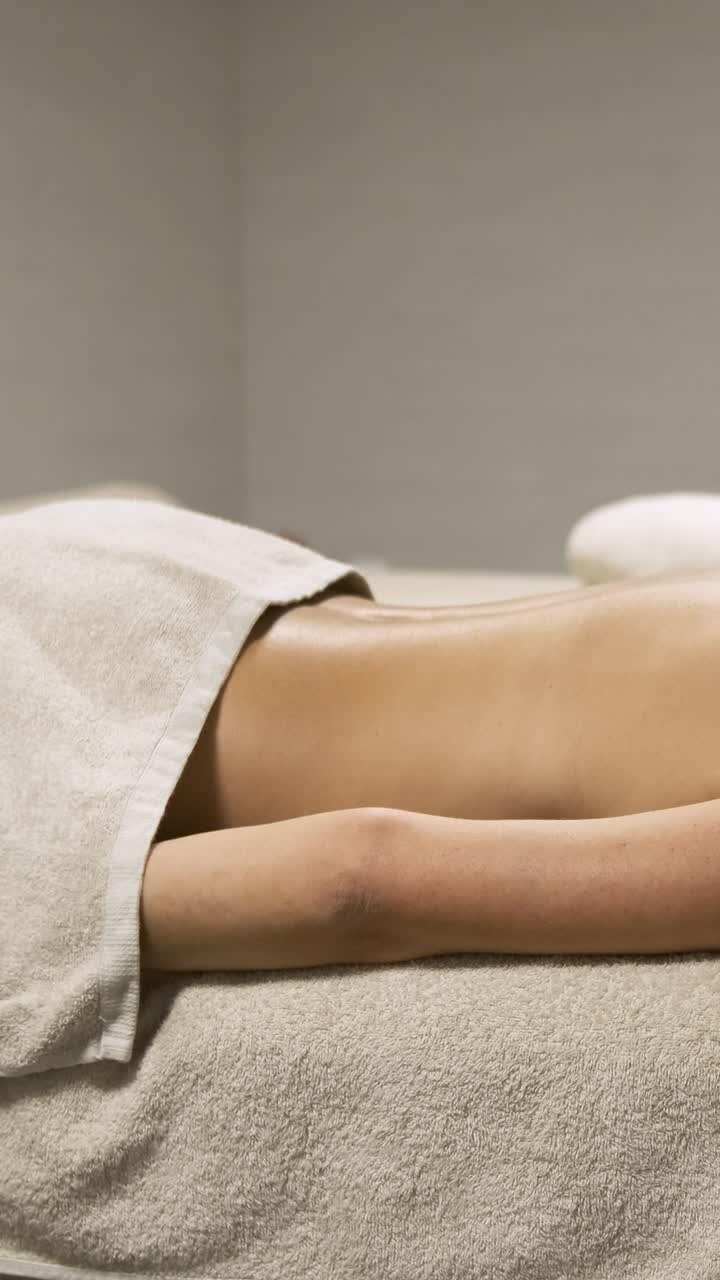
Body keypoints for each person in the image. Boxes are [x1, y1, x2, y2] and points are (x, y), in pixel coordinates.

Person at [140, 562, 720, 975]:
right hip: (141, 712)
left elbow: (361, 882)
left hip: (178, 585)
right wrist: (90, 921)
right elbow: (357, 882)